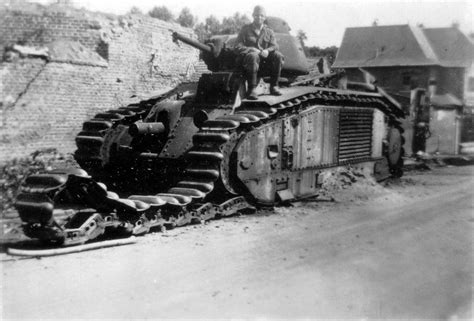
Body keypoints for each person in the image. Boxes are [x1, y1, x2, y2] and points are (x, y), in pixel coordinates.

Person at [235, 5, 284, 100]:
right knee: (253, 56)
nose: (259, 17)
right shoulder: (245, 30)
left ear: (265, 17)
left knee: (278, 55)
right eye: (257, 15)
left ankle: (274, 86)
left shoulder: (269, 31)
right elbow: (237, 47)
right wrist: (251, 49)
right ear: (253, 16)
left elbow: (275, 46)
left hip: (264, 64)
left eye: (262, 15)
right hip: (249, 64)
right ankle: (252, 89)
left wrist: (267, 50)